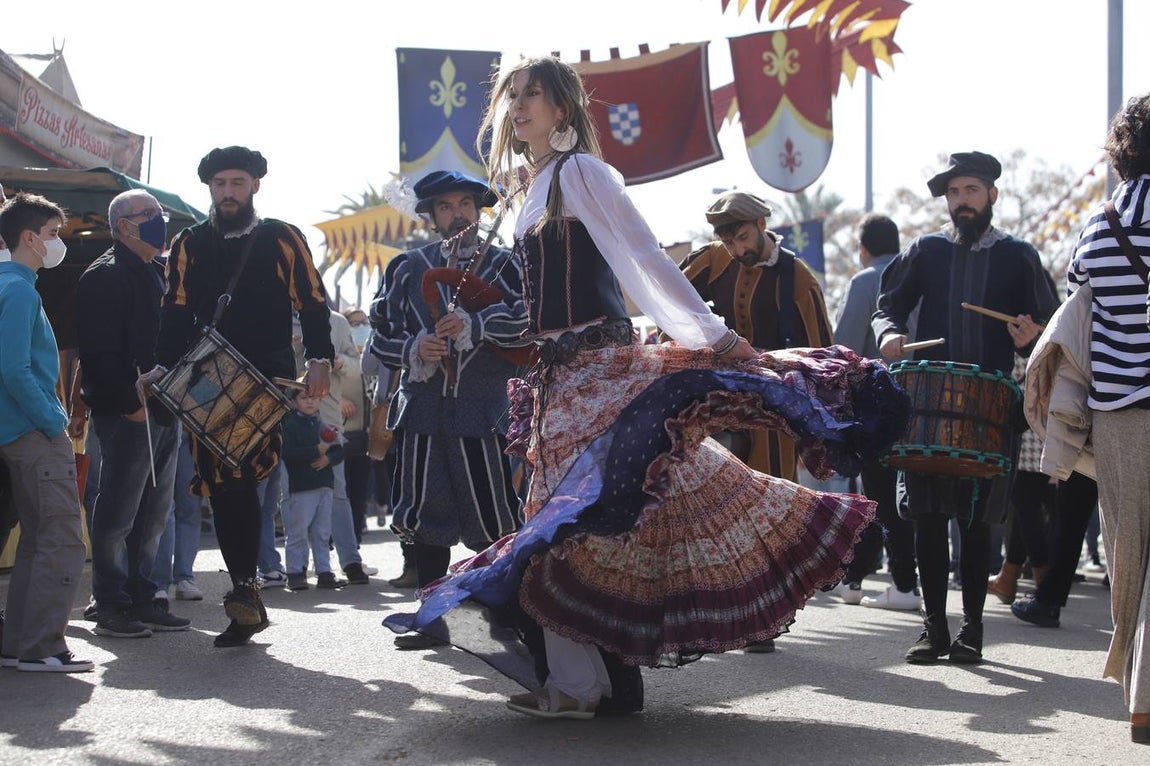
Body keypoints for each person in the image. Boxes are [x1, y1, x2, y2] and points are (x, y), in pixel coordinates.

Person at [383, 56, 908, 719]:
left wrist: (715, 338)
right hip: (555, 380)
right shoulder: (533, 185)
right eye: (512, 97)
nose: (518, 108)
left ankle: (587, 685)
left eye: (532, 97)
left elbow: (645, 257)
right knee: (567, 527)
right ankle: (591, 683)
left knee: (568, 524)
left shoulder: (579, 173)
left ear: (564, 109)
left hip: (598, 368)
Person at [874, 150, 1059, 665]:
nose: (962, 202)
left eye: (971, 191)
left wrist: (1030, 339)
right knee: (928, 518)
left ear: (991, 196)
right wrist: (888, 334)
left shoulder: (1018, 255)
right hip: (929, 403)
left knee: (977, 523)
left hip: (988, 407)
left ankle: (973, 629)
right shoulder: (926, 249)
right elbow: (887, 306)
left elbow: (1048, 331)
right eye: (954, 193)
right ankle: (934, 627)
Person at [155, 146, 334, 648]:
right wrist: (161, 368)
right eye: (219, 184)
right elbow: (174, 310)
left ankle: (246, 591)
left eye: (237, 182)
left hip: (265, 379)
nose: (228, 192)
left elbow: (314, 300)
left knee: (241, 480)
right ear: (209, 189)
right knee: (221, 482)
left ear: (255, 185)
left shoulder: (280, 236)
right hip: (206, 379)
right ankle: (244, 593)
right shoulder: (189, 242)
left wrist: (318, 358)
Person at [370, 168, 528, 649]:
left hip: (484, 412)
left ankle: (510, 616)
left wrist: (478, 324)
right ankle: (434, 617)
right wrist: (417, 347)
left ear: (479, 210)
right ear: (431, 215)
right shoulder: (406, 267)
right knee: (425, 517)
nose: (456, 213)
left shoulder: (507, 264)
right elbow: (381, 334)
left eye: (465, 203)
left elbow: (529, 322)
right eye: (445, 206)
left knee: (496, 517)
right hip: (422, 412)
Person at [1064, 93, 1150, 745]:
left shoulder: (1099, 227)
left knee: (1127, 544)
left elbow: (1079, 300)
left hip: (1120, 412)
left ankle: (1138, 691)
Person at [75, 190, 189, 637]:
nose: (160, 222)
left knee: (155, 511)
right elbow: (100, 354)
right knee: (118, 512)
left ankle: (143, 595)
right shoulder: (103, 276)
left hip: (165, 408)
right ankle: (109, 603)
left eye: (160, 214)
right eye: (150, 215)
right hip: (128, 414)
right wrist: (128, 406)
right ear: (123, 225)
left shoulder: (157, 272)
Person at [680, 191, 833, 483]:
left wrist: (817, 431)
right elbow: (671, 299)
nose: (738, 250)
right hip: (717, 399)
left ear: (762, 224)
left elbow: (823, 354)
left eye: (743, 237)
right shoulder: (713, 258)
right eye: (728, 242)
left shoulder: (798, 278)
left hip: (774, 408)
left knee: (773, 488)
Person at [0, 192, 93, 672]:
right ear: (30, 237)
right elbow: (15, 370)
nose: (58, 244)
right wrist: (54, 420)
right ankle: (42, 648)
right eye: (54, 235)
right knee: (60, 540)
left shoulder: (11, 285)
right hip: (32, 433)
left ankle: (20, 645)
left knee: (39, 542)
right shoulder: (18, 289)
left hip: (17, 432)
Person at [831, 213, 920, 610]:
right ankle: (856, 577)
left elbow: (845, 346)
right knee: (898, 492)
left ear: (863, 249)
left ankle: (902, 583)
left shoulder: (866, 281)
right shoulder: (919, 278)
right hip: (926, 397)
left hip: (879, 400)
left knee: (878, 489)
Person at [280, 389, 345, 590]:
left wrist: (328, 458)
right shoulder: (289, 425)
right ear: (294, 401)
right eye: (304, 398)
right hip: (301, 486)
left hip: (324, 485)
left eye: (313, 398)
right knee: (298, 531)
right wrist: (314, 451)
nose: (309, 402)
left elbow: (339, 450)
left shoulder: (322, 424)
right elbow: (287, 453)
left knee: (323, 531)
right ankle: (295, 571)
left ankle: (324, 571)